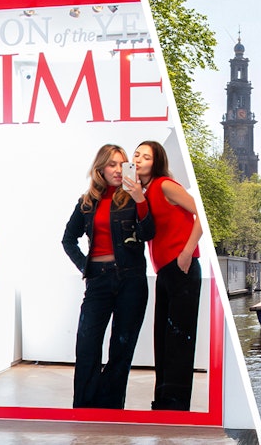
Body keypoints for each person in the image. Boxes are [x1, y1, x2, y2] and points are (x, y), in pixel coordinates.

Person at [61, 144, 154, 409]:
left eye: (122, 164)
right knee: (87, 344)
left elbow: (148, 234)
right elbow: (68, 239)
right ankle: (84, 407)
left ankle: (111, 409)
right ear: (100, 167)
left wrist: (139, 199)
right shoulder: (87, 202)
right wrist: (86, 268)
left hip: (132, 281)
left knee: (121, 350)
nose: (116, 170)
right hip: (98, 281)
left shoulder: (135, 198)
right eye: (111, 164)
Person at [132, 140, 203, 411]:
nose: (138, 160)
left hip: (181, 267)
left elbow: (199, 213)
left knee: (179, 338)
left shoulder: (164, 185)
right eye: (136, 155)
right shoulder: (146, 193)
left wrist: (187, 252)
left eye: (145, 157)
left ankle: (175, 404)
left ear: (156, 162)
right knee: (163, 338)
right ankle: (163, 401)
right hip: (165, 271)